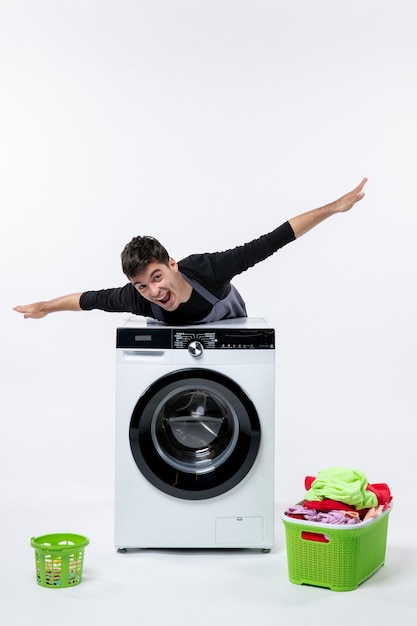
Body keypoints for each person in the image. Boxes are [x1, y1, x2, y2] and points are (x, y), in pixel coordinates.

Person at [13, 178, 367, 325]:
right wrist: (45, 307)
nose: (154, 291)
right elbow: (89, 299)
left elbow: (273, 239)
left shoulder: (208, 270)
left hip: (227, 330)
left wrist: (334, 207)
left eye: (156, 277)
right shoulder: (137, 299)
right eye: (142, 286)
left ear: (172, 264)